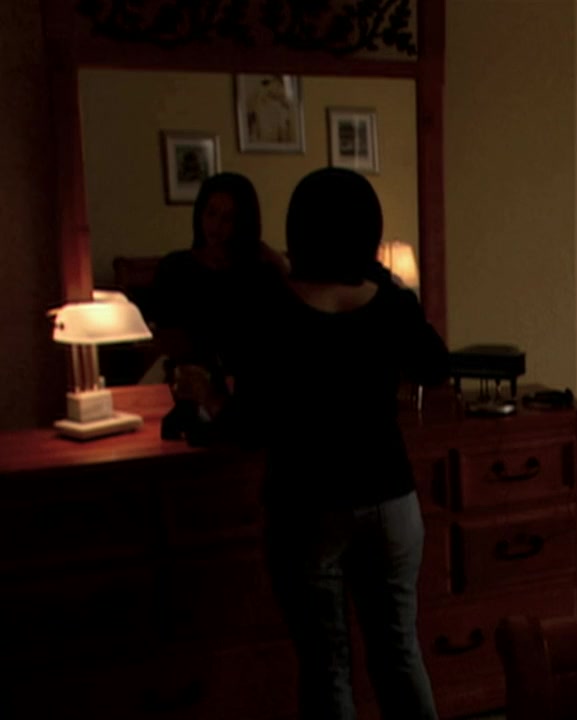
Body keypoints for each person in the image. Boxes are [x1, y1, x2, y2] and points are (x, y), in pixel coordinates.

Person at [234, 167, 449, 720]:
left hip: (307, 505)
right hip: (389, 500)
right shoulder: (388, 302)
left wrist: (210, 401)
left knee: (326, 664)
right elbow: (434, 367)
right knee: (399, 650)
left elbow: (251, 422)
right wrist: (381, 277)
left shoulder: (273, 307)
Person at [147, 172, 286, 442]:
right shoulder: (175, 269)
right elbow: (167, 338)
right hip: (188, 382)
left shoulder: (260, 275)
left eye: (228, 218)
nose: (216, 226)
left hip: (245, 390)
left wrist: (280, 266)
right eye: (211, 214)